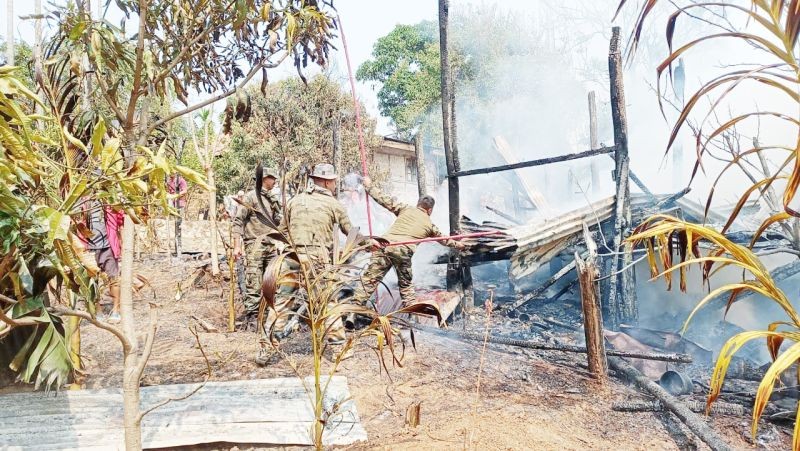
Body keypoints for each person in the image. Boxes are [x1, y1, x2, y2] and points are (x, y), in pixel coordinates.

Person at [257, 163, 367, 365]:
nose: (335, 185)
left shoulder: (295, 200)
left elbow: (282, 231)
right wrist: (370, 243)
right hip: (316, 260)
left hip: (290, 258)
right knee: (328, 302)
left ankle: (266, 348)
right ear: (326, 181)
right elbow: (351, 233)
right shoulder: (334, 204)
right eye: (334, 181)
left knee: (280, 303)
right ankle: (337, 349)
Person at [353, 177, 464, 308]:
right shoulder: (429, 225)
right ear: (430, 210)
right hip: (402, 251)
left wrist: (369, 187)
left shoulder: (405, 208)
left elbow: (384, 200)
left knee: (369, 281)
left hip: (384, 245)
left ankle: (351, 311)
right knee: (405, 286)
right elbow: (444, 240)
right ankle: (411, 311)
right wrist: (459, 245)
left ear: (418, 204)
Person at [233, 167, 283, 325]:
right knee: (254, 282)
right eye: (272, 178)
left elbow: (278, 222)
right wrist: (237, 246)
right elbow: (238, 222)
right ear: (264, 179)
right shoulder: (250, 197)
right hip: (254, 246)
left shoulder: (271, 199)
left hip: (270, 245)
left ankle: (269, 313)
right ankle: (253, 316)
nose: (275, 181)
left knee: (272, 281)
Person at [84, 200, 125, 323]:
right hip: (88, 248)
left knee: (114, 278)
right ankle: (97, 310)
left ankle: (116, 309)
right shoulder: (82, 202)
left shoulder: (108, 201)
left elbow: (120, 218)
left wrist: (121, 241)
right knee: (92, 281)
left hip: (108, 246)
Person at [167, 174, 188, 256]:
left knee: (178, 225)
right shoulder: (169, 182)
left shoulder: (181, 180)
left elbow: (184, 191)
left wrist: (176, 196)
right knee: (175, 225)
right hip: (172, 204)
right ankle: (175, 248)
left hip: (180, 203)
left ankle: (179, 249)